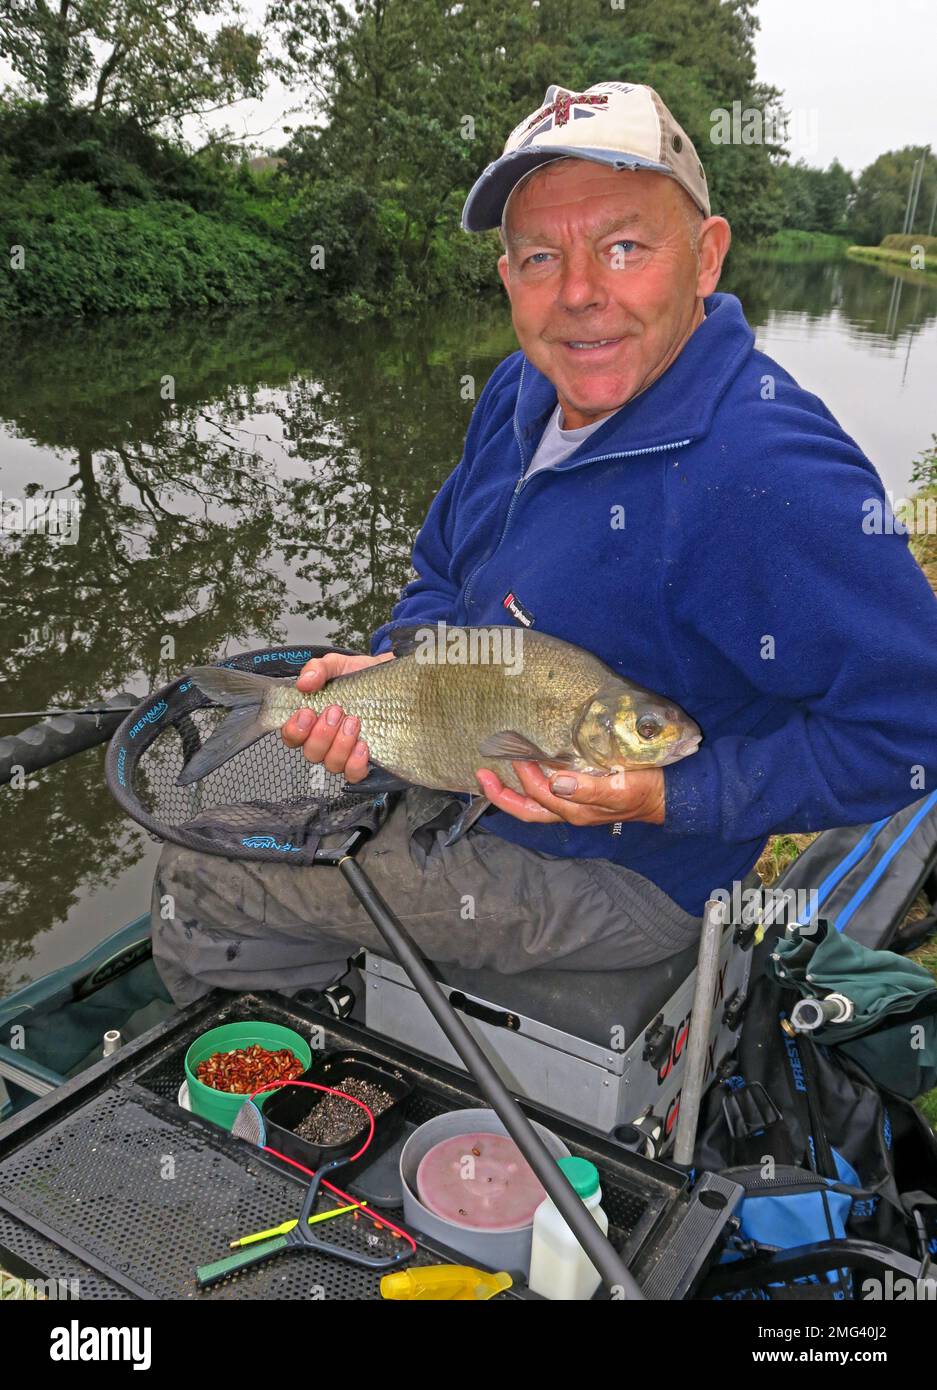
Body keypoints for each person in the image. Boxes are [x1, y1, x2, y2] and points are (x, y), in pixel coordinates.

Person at [152, 81, 937, 1008]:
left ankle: (291, 1082)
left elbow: (912, 729)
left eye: (623, 247)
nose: (576, 296)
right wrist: (392, 682)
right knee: (243, 825)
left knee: (196, 876)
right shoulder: (521, 392)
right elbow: (442, 574)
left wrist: (663, 797)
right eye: (537, 257)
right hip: (469, 774)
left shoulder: (770, 476)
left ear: (706, 257)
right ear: (507, 280)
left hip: (623, 873)